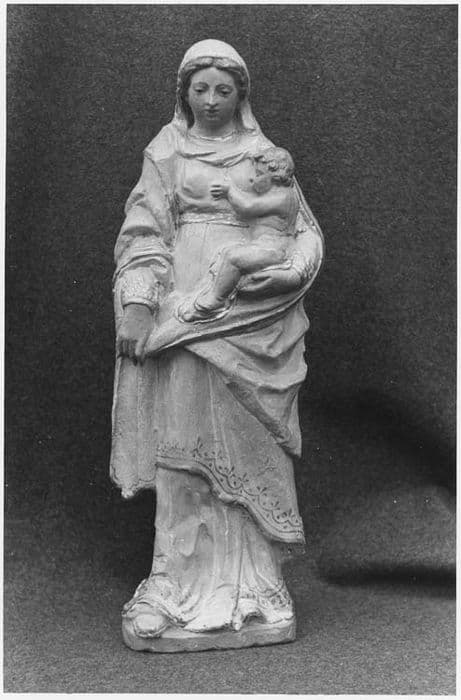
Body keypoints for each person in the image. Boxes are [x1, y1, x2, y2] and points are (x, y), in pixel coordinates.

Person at [110, 39, 324, 650]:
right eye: (199, 88)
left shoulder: (264, 155)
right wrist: (138, 302)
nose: (210, 100)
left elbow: (302, 230)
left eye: (222, 90)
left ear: (240, 95)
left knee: (251, 439)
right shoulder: (166, 150)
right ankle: (172, 583)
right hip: (185, 307)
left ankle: (258, 587)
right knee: (179, 442)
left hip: (251, 314)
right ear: (184, 93)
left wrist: (293, 269)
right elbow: (144, 231)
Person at [178, 146, 299, 322]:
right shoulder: (278, 194)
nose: (252, 178)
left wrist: (230, 190)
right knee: (227, 254)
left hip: (275, 250)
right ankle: (213, 294)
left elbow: (247, 207)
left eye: (258, 174)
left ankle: (216, 301)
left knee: (233, 258)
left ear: (276, 177)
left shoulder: (283, 197)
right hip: (265, 246)